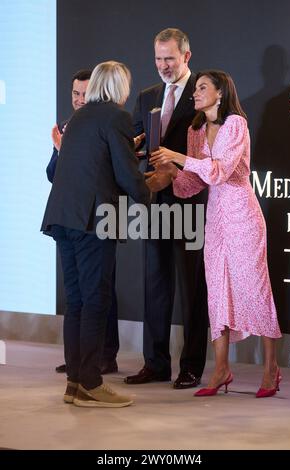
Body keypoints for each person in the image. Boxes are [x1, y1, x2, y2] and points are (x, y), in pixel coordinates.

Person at [150, 69, 282, 398]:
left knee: (255, 289)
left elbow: (220, 170)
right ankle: (221, 369)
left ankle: (271, 368)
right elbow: (195, 182)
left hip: (243, 215)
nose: (195, 92)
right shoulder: (197, 129)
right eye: (195, 88)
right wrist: (171, 173)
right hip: (216, 219)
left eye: (202, 87)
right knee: (217, 292)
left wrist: (179, 158)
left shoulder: (235, 124)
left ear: (220, 93)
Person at [41, 61, 150, 407]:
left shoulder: (80, 118)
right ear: (119, 86)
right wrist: (150, 187)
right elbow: (125, 175)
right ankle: (90, 383)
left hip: (62, 218)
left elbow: (95, 162)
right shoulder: (115, 116)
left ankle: (75, 382)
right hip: (92, 221)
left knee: (76, 302)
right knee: (95, 301)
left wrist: (125, 150)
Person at [125, 28, 208, 389]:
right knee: (155, 284)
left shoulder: (204, 95)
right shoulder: (146, 97)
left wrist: (177, 169)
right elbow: (134, 144)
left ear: (186, 56)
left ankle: (191, 366)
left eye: (169, 58)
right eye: (158, 59)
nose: (163, 65)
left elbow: (211, 154)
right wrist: (136, 148)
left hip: (191, 200)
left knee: (192, 288)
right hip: (155, 201)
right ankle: (155, 364)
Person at [47, 69, 119, 376]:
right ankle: (78, 361)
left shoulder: (105, 122)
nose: (78, 100)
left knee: (99, 291)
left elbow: (106, 171)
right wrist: (64, 152)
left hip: (98, 216)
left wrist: (69, 153)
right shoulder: (66, 128)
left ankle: (104, 356)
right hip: (71, 219)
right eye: (74, 94)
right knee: (80, 295)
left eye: (84, 94)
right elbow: (52, 173)